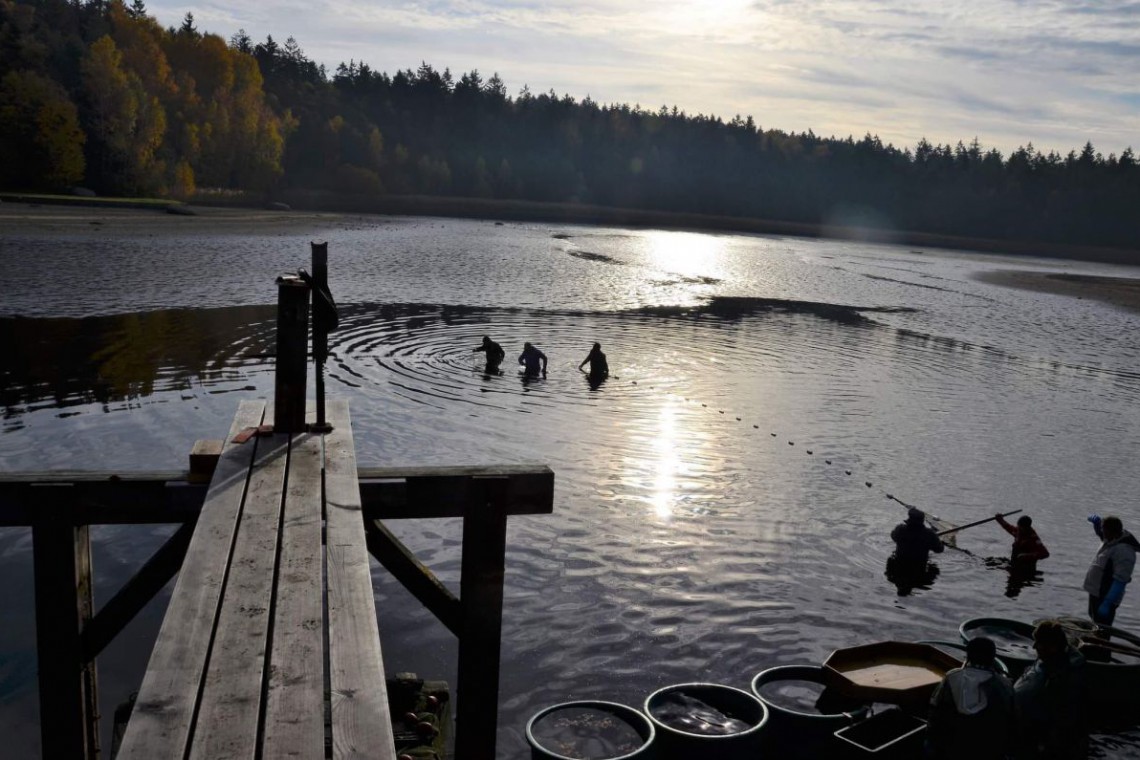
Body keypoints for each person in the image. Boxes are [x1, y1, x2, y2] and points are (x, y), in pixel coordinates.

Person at [927, 636, 1014, 760]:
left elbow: (935, 711)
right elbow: (1012, 719)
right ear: (992, 657)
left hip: (951, 748)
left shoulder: (952, 677)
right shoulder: (1005, 685)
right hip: (989, 750)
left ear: (968, 655)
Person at [1013, 619, 1088, 759]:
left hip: (1041, 736)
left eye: (1038, 643)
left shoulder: (1066, 675)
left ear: (1052, 646)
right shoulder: (1048, 656)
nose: (1034, 646)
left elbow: (1063, 717)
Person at [1083, 515, 1138, 626]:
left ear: (1110, 531)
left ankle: (1101, 643)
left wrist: (1107, 603)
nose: (1101, 532)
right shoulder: (1113, 539)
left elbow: (1120, 580)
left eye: (1103, 529)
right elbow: (1104, 537)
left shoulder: (1124, 551)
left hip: (1105, 596)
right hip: (1096, 592)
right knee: (1095, 624)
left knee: (1102, 627)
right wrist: (1097, 526)